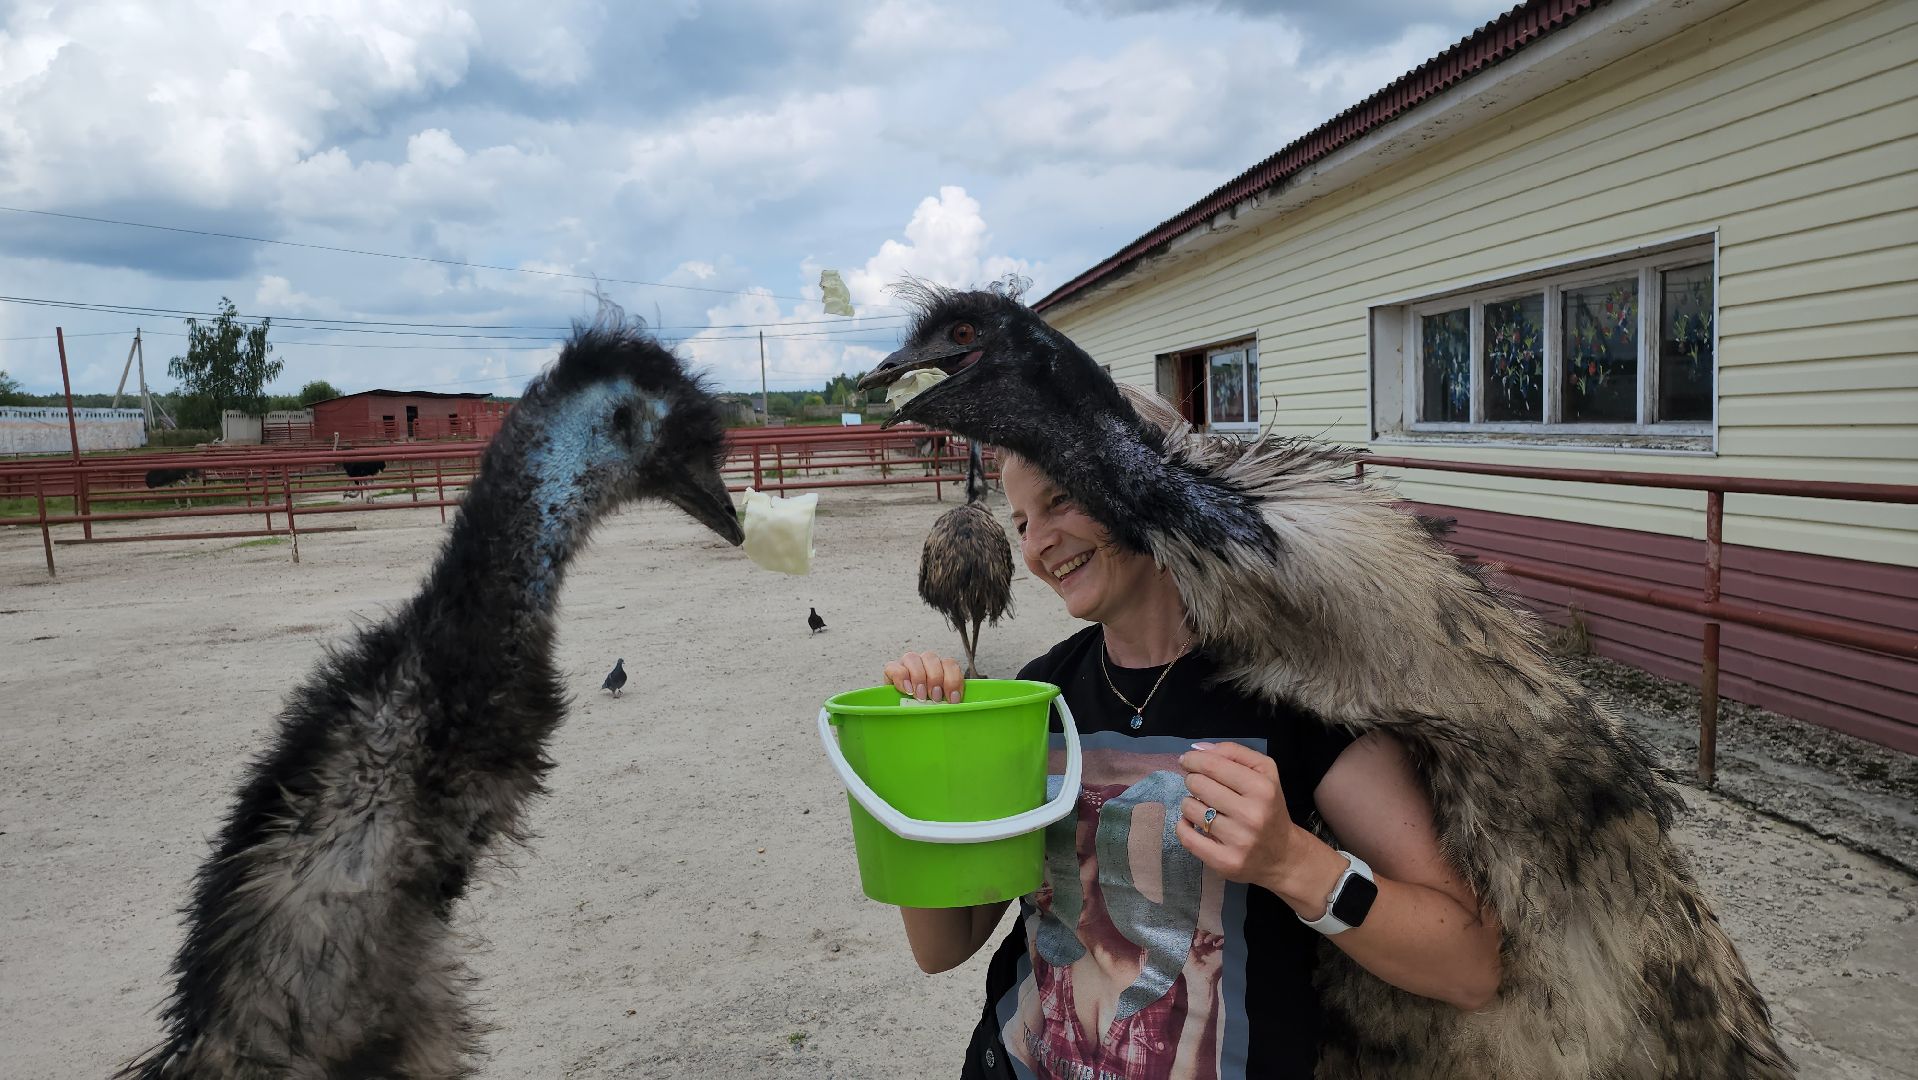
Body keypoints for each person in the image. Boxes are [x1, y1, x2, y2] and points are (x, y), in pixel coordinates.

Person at [880, 409, 1502, 1080]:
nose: (1037, 546)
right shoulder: (1039, 698)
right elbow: (944, 945)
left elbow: (1469, 967)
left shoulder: (1297, 698)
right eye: (1023, 521)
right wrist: (917, 766)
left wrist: (1293, 863)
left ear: (1148, 485)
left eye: (1060, 499)